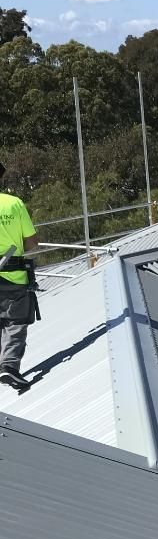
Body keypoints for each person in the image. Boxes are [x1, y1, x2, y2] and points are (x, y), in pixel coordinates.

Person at [0, 164, 38, 394]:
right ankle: (9, 366)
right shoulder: (14, 204)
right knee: (15, 322)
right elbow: (33, 243)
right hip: (14, 276)